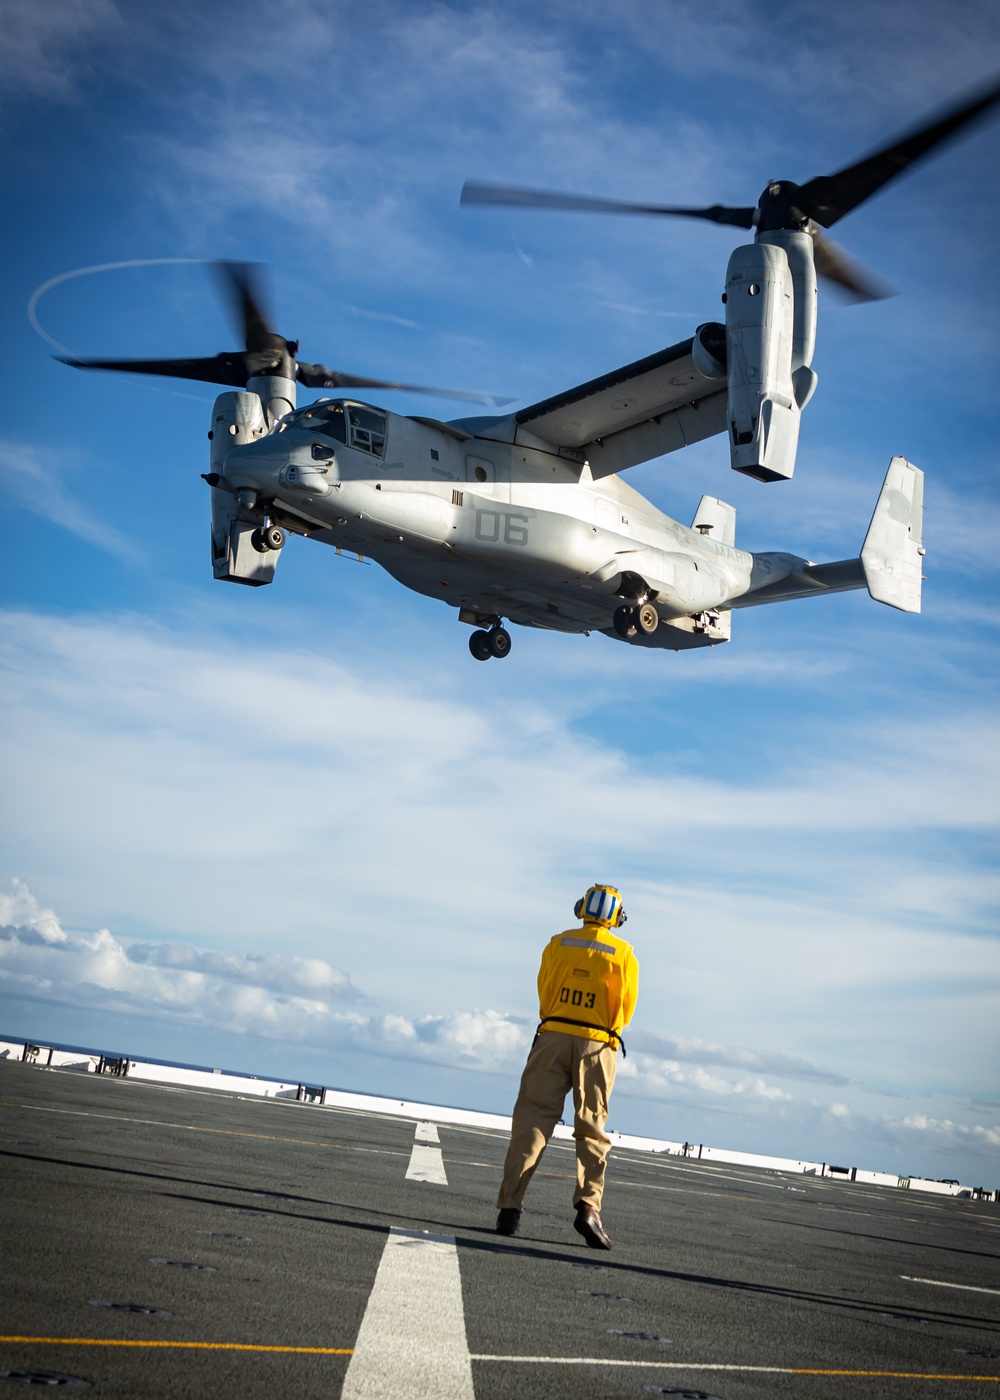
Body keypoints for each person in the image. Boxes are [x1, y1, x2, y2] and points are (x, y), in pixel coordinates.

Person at [495, 883, 639, 1250]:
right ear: (616, 918)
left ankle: (509, 1209)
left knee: (532, 1120)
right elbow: (625, 1008)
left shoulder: (558, 943)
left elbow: (544, 988)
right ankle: (589, 1208)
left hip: (553, 1034)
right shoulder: (623, 954)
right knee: (592, 1127)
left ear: (581, 908)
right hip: (597, 1043)